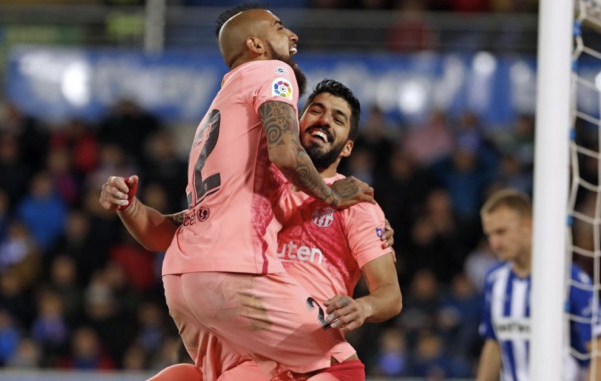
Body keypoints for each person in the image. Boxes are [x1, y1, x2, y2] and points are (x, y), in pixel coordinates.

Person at [98, 3, 374, 380]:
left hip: (182, 279)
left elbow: (165, 231)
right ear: (256, 45)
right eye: (279, 27)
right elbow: (286, 152)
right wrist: (334, 196)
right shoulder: (273, 72)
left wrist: (129, 208)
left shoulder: (219, 112)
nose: (292, 36)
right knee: (344, 367)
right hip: (233, 274)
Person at [146, 80, 402, 380]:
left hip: (310, 357)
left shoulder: (356, 205)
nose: (324, 120)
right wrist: (129, 207)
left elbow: (391, 294)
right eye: (316, 110)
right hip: (249, 354)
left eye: (338, 118)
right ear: (297, 122)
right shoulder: (254, 188)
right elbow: (182, 224)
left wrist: (363, 307)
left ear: (347, 147)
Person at [476, 189, 601, 381]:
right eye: (490, 235)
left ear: (528, 226)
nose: (495, 243)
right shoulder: (494, 279)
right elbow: (494, 344)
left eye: (501, 232)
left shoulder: (569, 278)